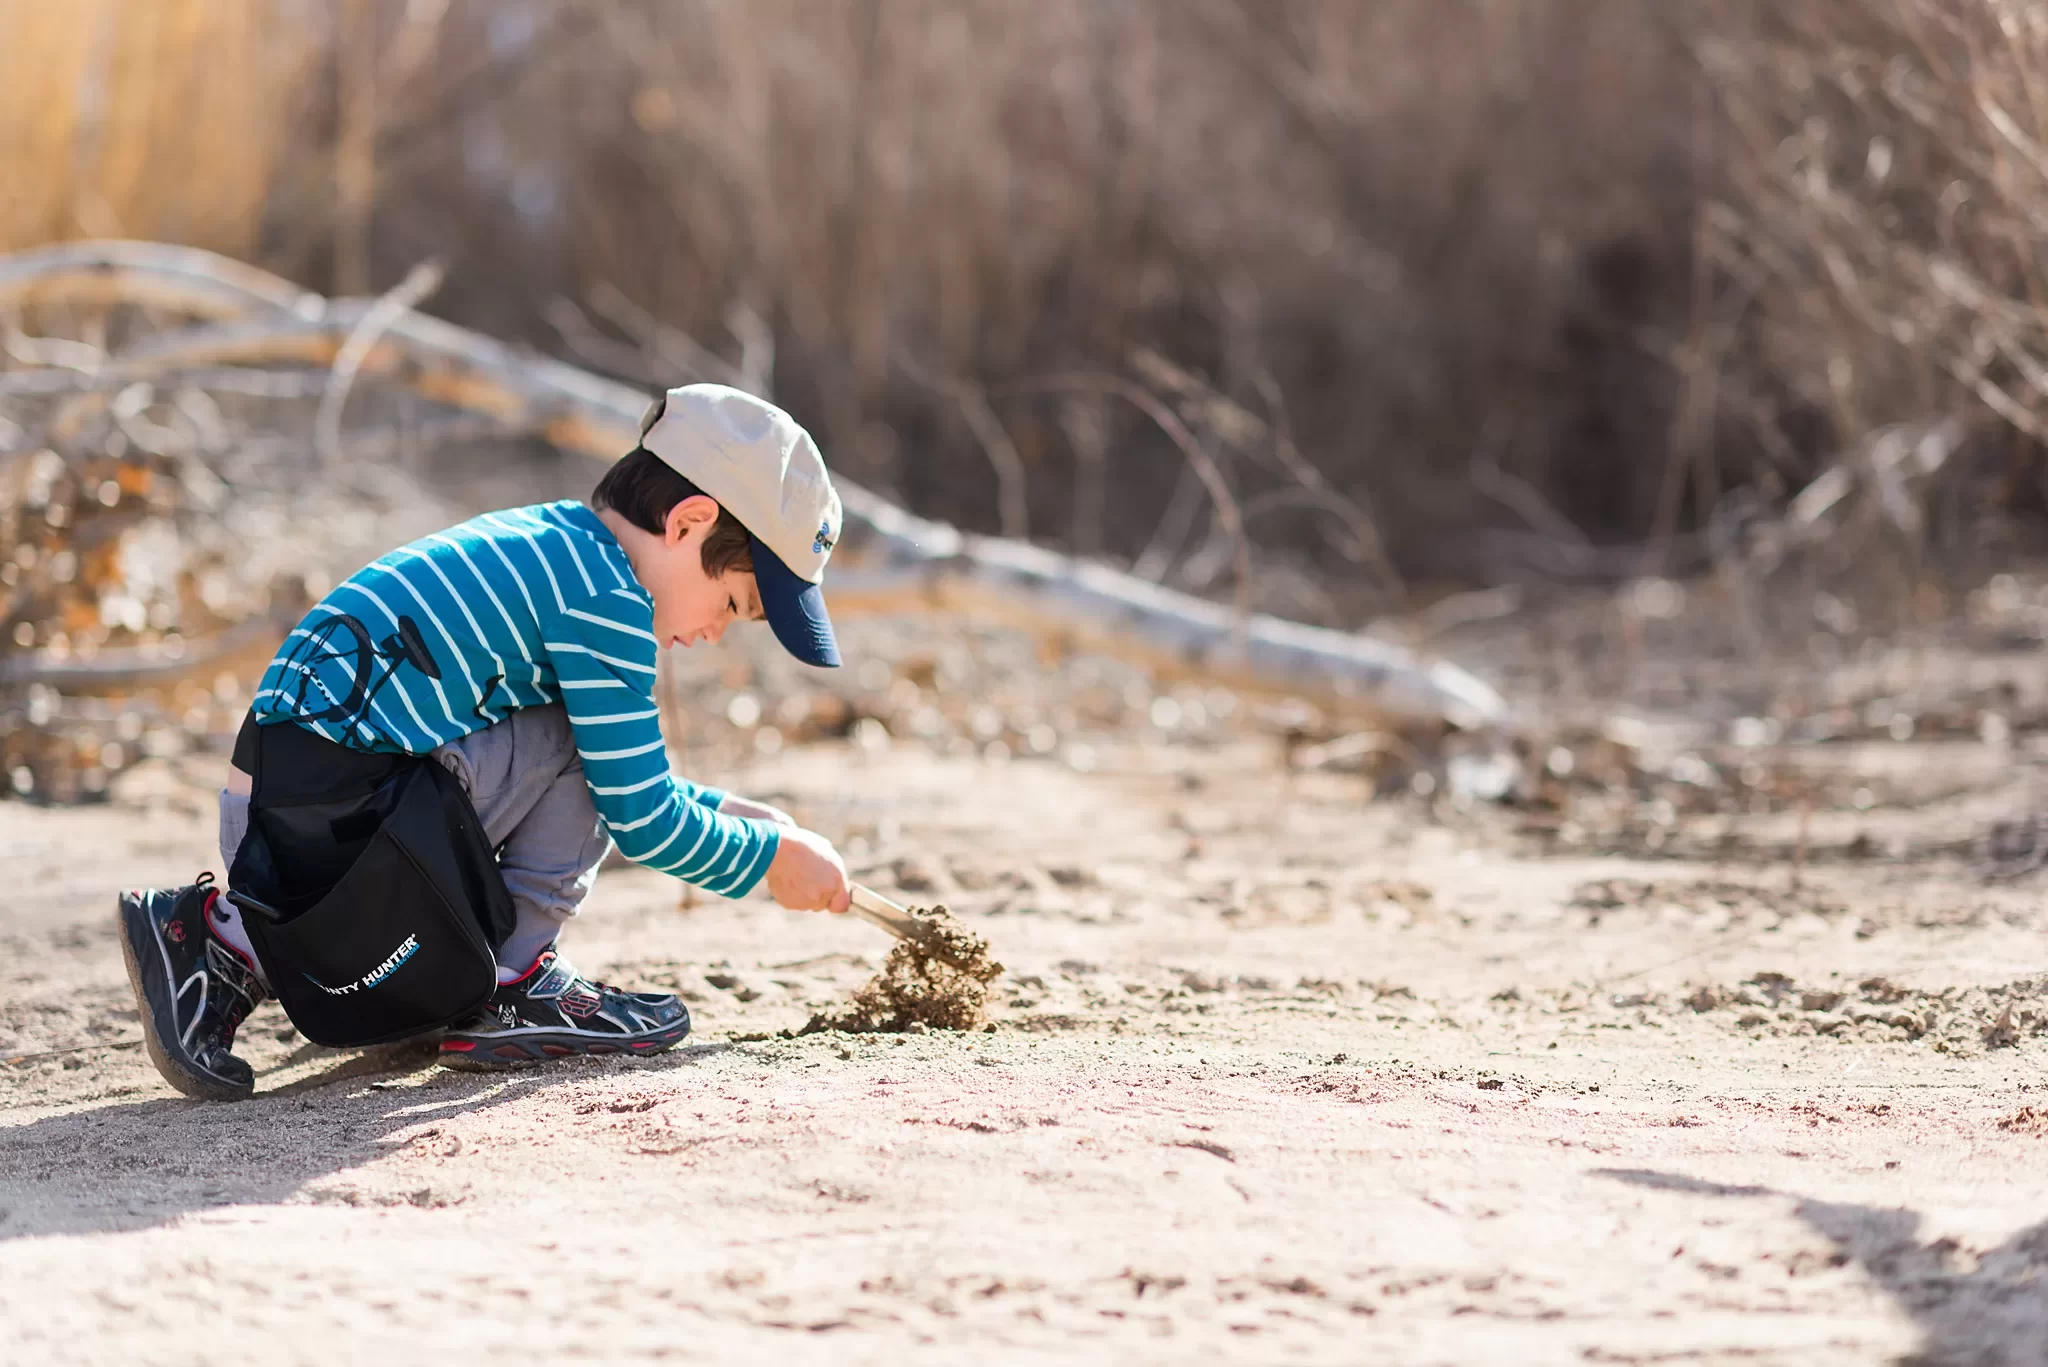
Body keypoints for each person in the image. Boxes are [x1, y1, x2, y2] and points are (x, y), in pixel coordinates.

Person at [117, 385, 854, 1099]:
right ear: (689, 522)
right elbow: (639, 813)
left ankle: (222, 943)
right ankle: (512, 981)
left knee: (574, 734)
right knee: (573, 730)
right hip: (338, 837)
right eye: (733, 603)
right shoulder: (609, 601)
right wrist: (769, 862)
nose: (713, 633)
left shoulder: (556, 547)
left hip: (283, 815)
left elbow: (625, 781)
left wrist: (736, 816)